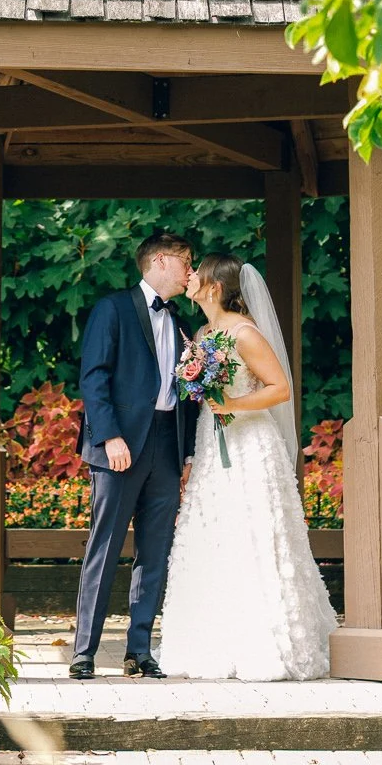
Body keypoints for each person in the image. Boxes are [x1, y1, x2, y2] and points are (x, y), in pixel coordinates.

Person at [158, 252, 338, 681]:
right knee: (214, 532)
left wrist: (233, 405)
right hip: (212, 443)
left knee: (256, 533)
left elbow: (280, 388)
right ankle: (210, 641)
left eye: (196, 273)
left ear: (214, 287)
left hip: (249, 445)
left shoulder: (244, 332)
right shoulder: (201, 332)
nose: (189, 277)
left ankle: (269, 643)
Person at [70, 230, 196, 679]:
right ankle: (84, 651)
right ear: (161, 261)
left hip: (166, 444)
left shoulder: (182, 319)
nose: (191, 272)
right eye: (186, 262)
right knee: (104, 547)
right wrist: (108, 437)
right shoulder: (113, 307)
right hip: (120, 444)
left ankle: (139, 651)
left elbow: (188, 393)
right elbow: (94, 376)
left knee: (155, 551)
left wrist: (187, 453)